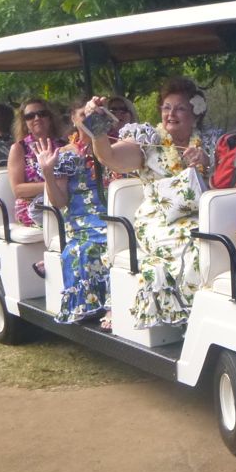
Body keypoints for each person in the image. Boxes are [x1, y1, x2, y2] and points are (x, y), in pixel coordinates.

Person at [80, 76, 217, 330]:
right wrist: (96, 121)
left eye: (180, 108)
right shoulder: (147, 141)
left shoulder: (210, 142)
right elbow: (107, 156)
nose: (171, 114)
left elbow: (226, 182)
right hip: (158, 220)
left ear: (195, 113)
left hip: (204, 215)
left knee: (218, 241)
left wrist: (207, 163)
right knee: (194, 245)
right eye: (166, 107)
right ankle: (192, 318)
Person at [34, 99, 136, 327]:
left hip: (117, 214)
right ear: (73, 119)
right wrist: (48, 173)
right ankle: (106, 305)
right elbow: (60, 202)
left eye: (94, 115)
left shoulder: (115, 149)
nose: (88, 120)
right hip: (83, 221)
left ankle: (122, 302)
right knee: (92, 247)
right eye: (83, 115)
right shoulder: (65, 155)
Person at [7, 98, 66, 227]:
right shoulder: (18, 149)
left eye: (42, 114)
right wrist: (54, 185)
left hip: (64, 201)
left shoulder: (64, 146)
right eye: (30, 116)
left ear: (50, 118)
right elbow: (17, 190)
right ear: (24, 123)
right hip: (32, 207)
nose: (37, 118)